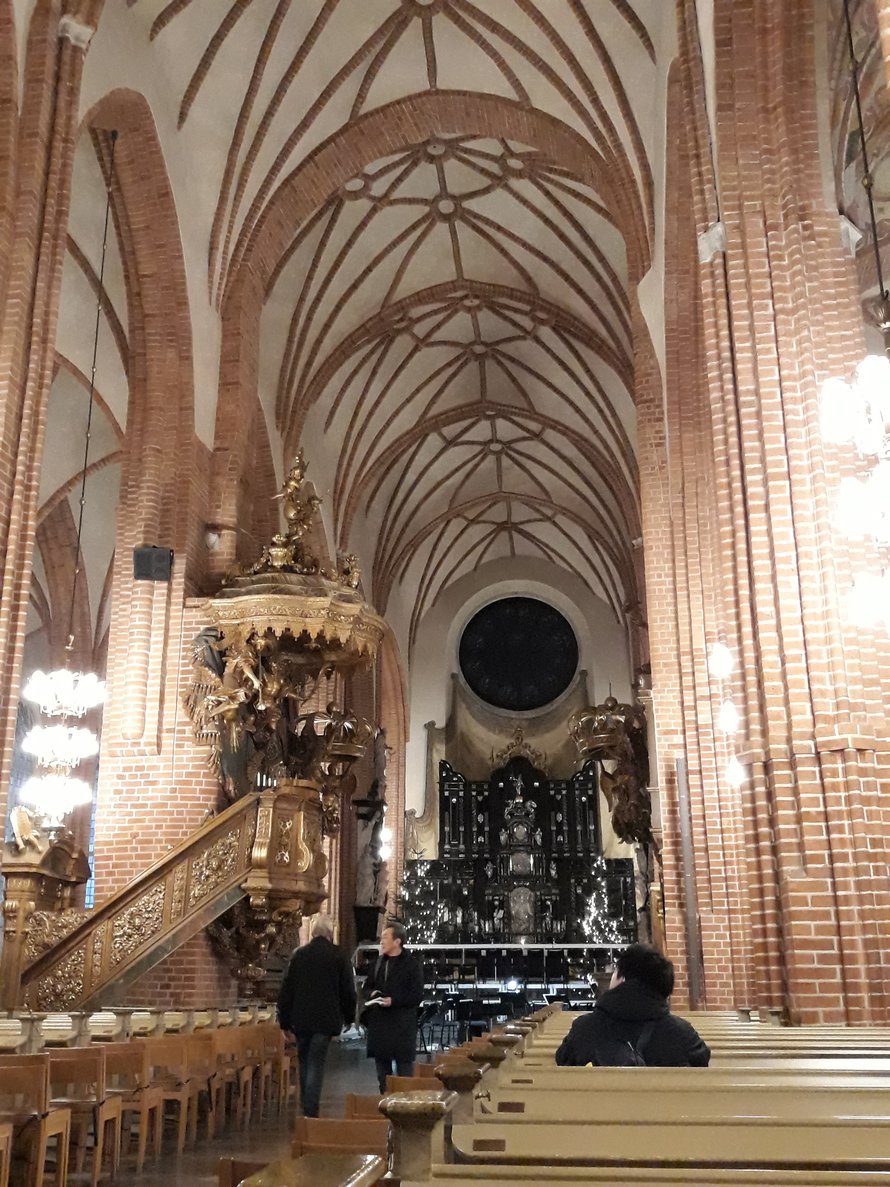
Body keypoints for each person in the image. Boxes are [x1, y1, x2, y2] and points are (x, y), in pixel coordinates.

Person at [554, 942, 710, 1067]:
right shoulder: (682, 1035)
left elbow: (563, 1063)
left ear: (622, 979)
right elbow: (702, 1068)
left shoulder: (584, 1029)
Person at [277, 916, 357, 1116]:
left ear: (313, 933)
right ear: (330, 933)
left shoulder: (299, 955)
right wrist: (349, 1017)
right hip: (325, 1019)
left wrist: (284, 1021)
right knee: (315, 1061)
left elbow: (287, 990)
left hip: (301, 1019)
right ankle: (310, 1108)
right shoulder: (338, 956)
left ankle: (306, 1105)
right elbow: (348, 990)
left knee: (304, 1060)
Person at [363, 921, 425, 1091]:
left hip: (402, 1027)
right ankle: (386, 1101)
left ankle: (404, 1105)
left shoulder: (411, 964)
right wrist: (372, 994)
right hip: (380, 1026)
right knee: (383, 1077)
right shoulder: (378, 963)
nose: (381, 941)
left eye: (385, 937)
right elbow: (367, 986)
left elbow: (417, 995)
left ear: (397, 941)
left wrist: (394, 1000)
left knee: (405, 1077)